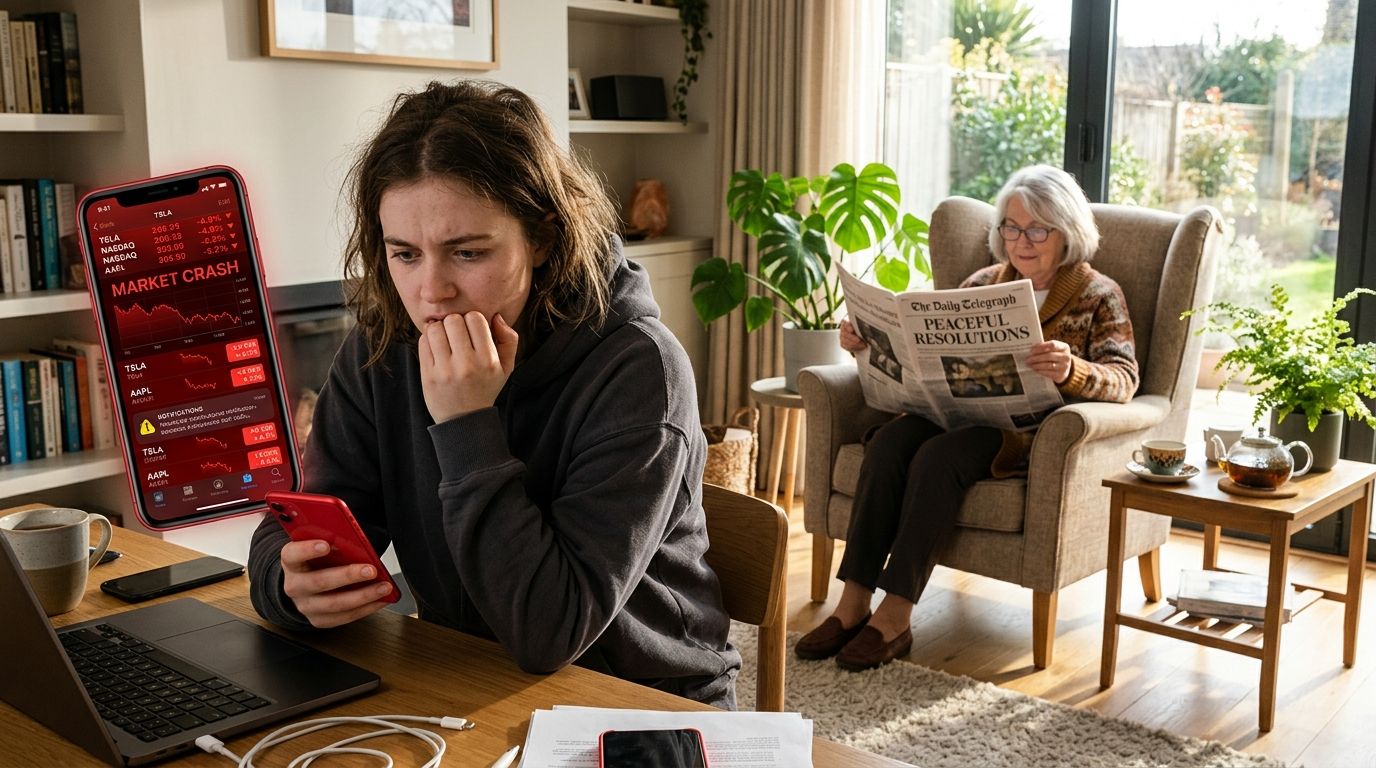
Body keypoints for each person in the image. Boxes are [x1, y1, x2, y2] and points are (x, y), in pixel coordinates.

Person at [247, 80, 741, 708]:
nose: (431, 291)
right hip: (468, 677)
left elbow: (546, 633)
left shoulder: (641, 370)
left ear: (542, 238)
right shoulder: (386, 345)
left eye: (468, 252)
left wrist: (465, 423)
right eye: (404, 254)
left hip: (638, 703)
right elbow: (304, 517)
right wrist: (285, 583)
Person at [796, 164, 1139, 671]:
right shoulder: (981, 282)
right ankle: (851, 604)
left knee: (938, 457)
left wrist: (1072, 369)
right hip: (951, 412)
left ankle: (894, 617)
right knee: (888, 444)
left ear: (1067, 232)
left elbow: (1125, 378)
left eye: (1037, 229)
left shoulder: (1098, 295)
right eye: (1011, 227)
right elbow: (926, 354)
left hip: (1022, 434)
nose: (1021, 241)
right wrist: (866, 347)